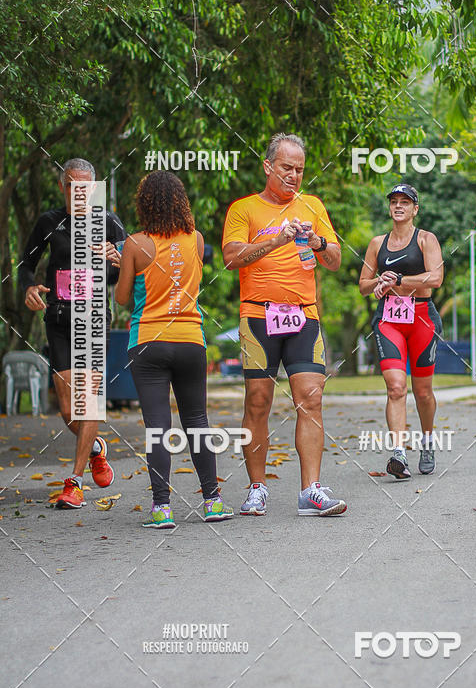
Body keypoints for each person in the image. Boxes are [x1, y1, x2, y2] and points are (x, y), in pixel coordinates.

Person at [222, 132, 347, 517]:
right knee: (258, 402)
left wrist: (319, 244)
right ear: (268, 166)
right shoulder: (244, 209)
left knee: (311, 399)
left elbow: (337, 259)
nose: (293, 176)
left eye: (299, 170)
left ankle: (311, 490)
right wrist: (276, 240)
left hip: (304, 317)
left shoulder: (312, 206)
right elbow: (231, 258)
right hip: (258, 317)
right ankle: (257, 487)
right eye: (286, 168)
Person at [113, 171, 233, 527]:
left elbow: (122, 300)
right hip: (190, 340)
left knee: (157, 426)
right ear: (181, 202)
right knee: (197, 421)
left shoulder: (134, 244)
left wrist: (123, 265)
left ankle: (162, 508)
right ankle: (212, 501)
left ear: (145, 204)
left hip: (148, 340)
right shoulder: (196, 239)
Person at [19, 158, 125, 510]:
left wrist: (116, 261)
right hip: (59, 320)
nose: (77, 192)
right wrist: (30, 287)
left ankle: (75, 482)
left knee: (87, 401)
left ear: (93, 189)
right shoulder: (50, 222)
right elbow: (26, 265)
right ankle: (96, 449)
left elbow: (124, 274)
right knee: (68, 409)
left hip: (94, 318)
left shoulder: (108, 222)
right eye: (70, 185)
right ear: (63, 187)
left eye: (84, 187)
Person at [359, 184, 444, 480]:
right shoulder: (376, 243)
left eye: (405, 202)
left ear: (415, 209)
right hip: (389, 319)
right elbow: (363, 285)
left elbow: (436, 278)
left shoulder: (426, 239)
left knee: (422, 392)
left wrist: (400, 279)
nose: (398, 206)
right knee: (396, 386)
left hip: (421, 318)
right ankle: (399, 453)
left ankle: (428, 441)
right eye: (394, 201)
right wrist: (379, 281)